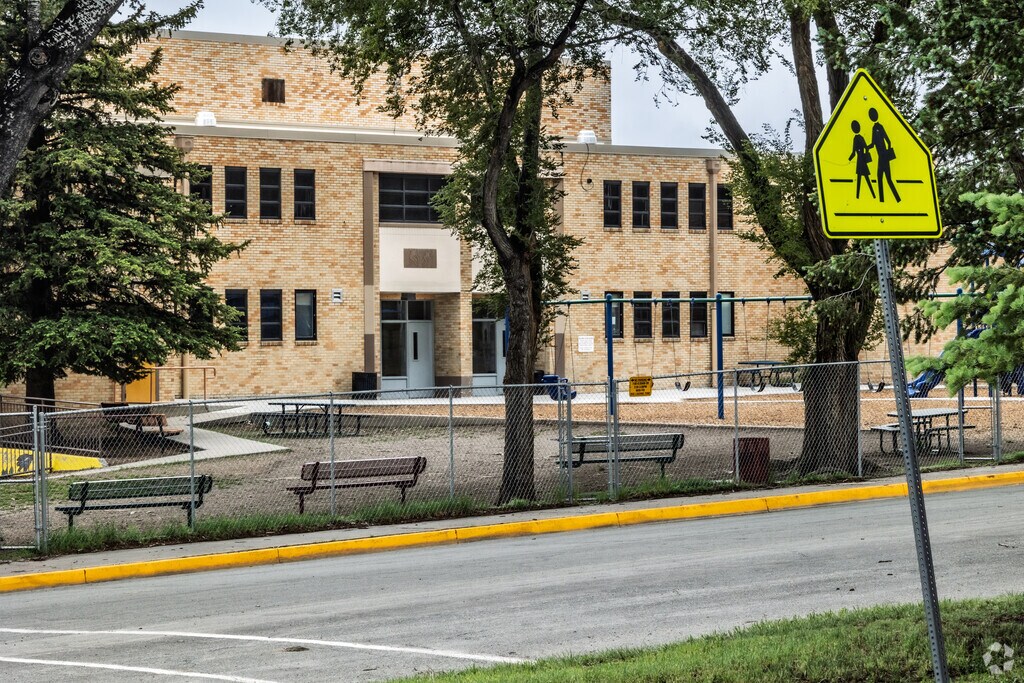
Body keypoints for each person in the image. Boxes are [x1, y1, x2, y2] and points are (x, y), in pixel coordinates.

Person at [867, 107, 900, 203]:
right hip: (880, 157)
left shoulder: (879, 127)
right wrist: (866, 147)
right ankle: (883, 200)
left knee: (886, 178)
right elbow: (873, 143)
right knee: (881, 178)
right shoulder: (874, 128)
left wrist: (887, 153)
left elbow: (888, 140)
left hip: (883, 157)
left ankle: (895, 199)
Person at [848, 120, 875, 199]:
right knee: (864, 179)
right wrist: (865, 154)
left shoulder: (856, 138)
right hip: (862, 160)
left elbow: (854, 152)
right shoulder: (860, 138)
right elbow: (866, 148)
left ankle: (858, 196)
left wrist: (849, 159)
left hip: (860, 161)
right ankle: (870, 195)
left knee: (861, 179)